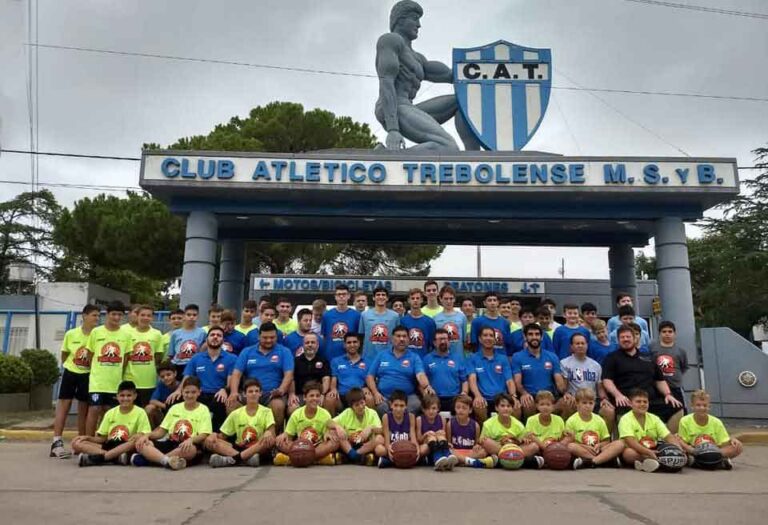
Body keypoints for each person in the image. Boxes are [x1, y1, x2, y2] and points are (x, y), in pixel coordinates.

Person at [602, 325, 683, 425]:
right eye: (622, 337)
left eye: (628, 337)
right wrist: (618, 395)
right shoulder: (611, 358)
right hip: (626, 400)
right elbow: (607, 380)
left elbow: (659, 380)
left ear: (635, 339)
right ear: (618, 340)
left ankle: (668, 435)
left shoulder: (648, 357)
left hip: (650, 400)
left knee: (677, 407)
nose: (625, 339)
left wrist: (668, 394)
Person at [50, 304, 100, 458]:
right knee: (64, 405)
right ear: (84, 316)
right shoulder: (71, 334)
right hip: (71, 372)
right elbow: (65, 354)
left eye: (98, 316)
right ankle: (56, 442)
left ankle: (80, 443)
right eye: (94, 315)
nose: (97, 318)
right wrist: (71, 367)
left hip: (88, 374)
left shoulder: (98, 334)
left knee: (83, 409)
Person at [132, 376, 211, 470]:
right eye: (187, 392)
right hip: (171, 443)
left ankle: (152, 459)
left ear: (199, 392)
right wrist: (147, 435)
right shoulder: (174, 408)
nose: (189, 395)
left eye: (193, 392)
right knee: (144, 443)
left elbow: (204, 434)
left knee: (191, 450)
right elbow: (161, 432)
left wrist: (191, 440)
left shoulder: (203, 409)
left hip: (188, 445)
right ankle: (167, 461)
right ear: (182, 392)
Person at [168, 326, 236, 432]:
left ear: (223, 340)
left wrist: (224, 390)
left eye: (219, 335)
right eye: (212, 335)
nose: (215, 337)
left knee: (220, 402)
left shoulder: (231, 358)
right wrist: (178, 391)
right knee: (173, 400)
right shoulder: (196, 358)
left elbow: (230, 381)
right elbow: (187, 377)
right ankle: (174, 433)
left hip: (218, 394)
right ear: (207, 339)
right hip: (199, 393)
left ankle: (214, 435)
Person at [229, 322, 294, 432]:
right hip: (250, 393)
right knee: (231, 404)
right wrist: (234, 392)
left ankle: (275, 438)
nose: (268, 340)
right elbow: (236, 374)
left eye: (272, 337)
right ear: (259, 336)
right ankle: (239, 438)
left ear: (276, 337)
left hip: (273, 394)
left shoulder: (284, 351)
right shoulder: (247, 351)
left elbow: (289, 375)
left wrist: (281, 390)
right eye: (265, 337)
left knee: (278, 406)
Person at [72, 380, 151, 467]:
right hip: (110, 445)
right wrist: (87, 438)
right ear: (117, 396)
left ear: (135, 396)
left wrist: (138, 435)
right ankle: (115, 458)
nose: (125, 398)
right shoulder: (110, 413)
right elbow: (102, 439)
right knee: (77, 443)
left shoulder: (140, 412)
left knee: (137, 440)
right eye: (122, 395)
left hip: (126, 446)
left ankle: (101, 458)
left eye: (129, 395)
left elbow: (144, 433)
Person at [205, 378, 276, 468]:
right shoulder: (236, 413)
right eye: (250, 391)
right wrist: (213, 435)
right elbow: (222, 436)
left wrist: (268, 432)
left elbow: (272, 432)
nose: (254, 394)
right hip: (239, 448)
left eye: (256, 391)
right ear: (244, 394)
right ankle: (246, 459)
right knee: (212, 441)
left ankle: (231, 460)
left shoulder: (267, 411)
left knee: (269, 440)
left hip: (257, 448)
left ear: (260, 393)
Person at [85, 301, 132, 436]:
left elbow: (126, 358)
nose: (116, 317)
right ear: (107, 314)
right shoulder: (96, 332)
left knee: (109, 412)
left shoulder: (126, 335)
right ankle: (88, 441)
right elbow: (90, 354)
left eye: (119, 315)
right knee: (94, 409)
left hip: (114, 383)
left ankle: (104, 440)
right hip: (97, 382)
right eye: (113, 314)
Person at [367, 325, 434, 415]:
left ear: (408, 339)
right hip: (385, 396)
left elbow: (420, 374)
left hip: (408, 397)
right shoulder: (381, 355)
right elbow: (370, 376)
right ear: (392, 339)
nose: (401, 339)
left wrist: (427, 386)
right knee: (381, 406)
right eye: (398, 336)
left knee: (416, 404)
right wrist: (375, 393)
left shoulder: (414, 357)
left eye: (404, 336)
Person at [618, 388, 684, 472]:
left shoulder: (654, 418)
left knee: (673, 447)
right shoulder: (625, 419)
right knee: (628, 453)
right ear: (630, 403)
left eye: (645, 402)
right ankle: (658, 463)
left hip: (653, 449)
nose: (642, 404)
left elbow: (668, 436)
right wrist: (648, 452)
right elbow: (630, 442)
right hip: (635, 450)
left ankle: (649, 464)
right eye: (638, 401)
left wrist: (679, 450)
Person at [274, 381, 337, 466]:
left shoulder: (325, 414)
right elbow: (289, 436)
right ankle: (317, 460)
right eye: (311, 396)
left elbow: (327, 434)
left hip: (318, 448)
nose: (315, 398)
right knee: (279, 442)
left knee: (335, 442)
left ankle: (293, 459)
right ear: (304, 397)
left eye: (317, 396)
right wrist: (284, 436)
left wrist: (328, 434)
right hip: (299, 447)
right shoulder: (297, 414)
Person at [677, 390, 742, 470]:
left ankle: (696, 462)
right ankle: (719, 463)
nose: (702, 408)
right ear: (692, 406)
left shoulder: (717, 422)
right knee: (678, 448)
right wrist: (693, 450)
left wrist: (731, 440)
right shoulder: (684, 421)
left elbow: (724, 444)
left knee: (737, 447)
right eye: (698, 405)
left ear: (709, 407)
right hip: (694, 451)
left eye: (705, 405)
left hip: (715, 450)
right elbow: (682, 442)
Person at [512, 323, 567, 418]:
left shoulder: (552, 356)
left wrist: (566, 393)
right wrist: (524, 394)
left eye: (537, 334)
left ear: (541, 337)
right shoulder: (517, 357)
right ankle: (531, 427)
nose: (534, 337)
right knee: (527, 403)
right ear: (525, 337)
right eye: (530, 334)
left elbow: (559, 381)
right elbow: (518, 383)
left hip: (550, 396)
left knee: (568, 402)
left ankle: (560, 426)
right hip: (531, 396)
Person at [559, 333, 614, 428]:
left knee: (609, 411)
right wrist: (566, 394)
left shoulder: (596, 365)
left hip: (592, 400)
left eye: (583, 343)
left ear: (587, 345)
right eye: (577, 343)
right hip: (575, 400)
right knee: (567, 403)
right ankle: (567, 434)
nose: (580, 345)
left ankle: (604, 436)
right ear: (571, 346)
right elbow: (564, 387)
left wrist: (604, 399)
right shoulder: (564, 363)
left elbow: (600, 388)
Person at [564, 388, 625, 469]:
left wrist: (599, 445)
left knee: (620, 443)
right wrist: (585, 446)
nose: (588, 406)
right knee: (570, 446)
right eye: (584, 403)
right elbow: (570, 441)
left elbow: (606, 441)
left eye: (591, 403)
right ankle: (604, 460)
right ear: (577, 403)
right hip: (583, 450)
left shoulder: (599, 420)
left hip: (598, 450)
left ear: (594, 404)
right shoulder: (571, 421)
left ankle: (591, 462)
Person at [468, 327, 519, 422]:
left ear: (495, 340)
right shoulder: (473, 358)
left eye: (491, 336)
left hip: (502, 398)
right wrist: (477, 396)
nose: (488, 338)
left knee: (516, 407)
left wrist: (513, 396)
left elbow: (509, 380)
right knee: (478, 406)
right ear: (480, 339)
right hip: (483, 397)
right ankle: (485, 430)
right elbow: (472, 379)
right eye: (485, 335)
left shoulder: (503, 359)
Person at [479, 393, 543, 469]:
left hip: (515, 449)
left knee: (534, 446)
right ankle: (524, 462)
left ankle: (498, 462)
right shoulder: (488, 424)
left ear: (512, 409)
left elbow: (522, 440)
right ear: (496, 408)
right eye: (502, 406)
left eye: (509, 406)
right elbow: (482, 441)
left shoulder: (518, 424)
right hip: (499, 448)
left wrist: (524, 440)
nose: (506, 409)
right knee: (486, 442)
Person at [326, 387, 384, 466]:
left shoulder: (372, 413)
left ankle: (354, 456)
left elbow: (381, 430)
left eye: (362, 403)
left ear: (365, 401)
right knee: (334, 432)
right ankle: (357, 456)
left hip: (366, 446)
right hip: (349, 445)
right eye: (357, 405)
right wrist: (338, 427)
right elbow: (328, 422)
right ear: (351, 407)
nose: (361, 406)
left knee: (380, 438)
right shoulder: (347, 413)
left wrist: (371, 428)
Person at [649, 321, 689, 433]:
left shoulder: (681, 351)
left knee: (681, 411)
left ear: (674, 334)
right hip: (657, 388)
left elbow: (683, 367)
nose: (667, 334)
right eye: (664, 331)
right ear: (659, 333)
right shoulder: (653, 348)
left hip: (675, 387)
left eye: (670, 332)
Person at [124, 305, 164, 408]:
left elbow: (158, 357)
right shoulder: (127, 333)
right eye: (142, 315)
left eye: (148, 315)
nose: (145, 318)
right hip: (130, 379)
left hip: (149, 381)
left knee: (147, 411)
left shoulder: (157, 334)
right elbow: (125, 356)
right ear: (137, 316)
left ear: (152, 318)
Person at [423, 328, 468, 412]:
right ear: (434, 342)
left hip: (455, 398)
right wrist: (426, 395)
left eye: (445, 339)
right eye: (440, 339)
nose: (443, 341)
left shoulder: (458, 358)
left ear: (449, 341)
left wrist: (464, 393)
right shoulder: (427, 359)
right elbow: (421, 381)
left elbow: (464, 380)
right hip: (434, 399)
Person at [326, 334, 371, 415]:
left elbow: (369, 379)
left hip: (359, 396)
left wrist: (367, 388)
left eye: (355, 342)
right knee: (330, 399)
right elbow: (334, 378)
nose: (352, 345)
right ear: (344, 345)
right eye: (349, 342)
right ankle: (332, 422)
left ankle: (368, 422)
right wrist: (333, 389)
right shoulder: (336, 361)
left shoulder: (367, 362)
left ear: (359, 344)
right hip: (342, 396)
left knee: (369, 398)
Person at [446, 394, 496, 468]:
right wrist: (450, 447)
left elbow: (476, 444)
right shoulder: (450, 424)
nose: (460, 410)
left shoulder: (475, 425)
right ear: (455, 408)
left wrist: (477, 447)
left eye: (464, 408)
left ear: (470, 410)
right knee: (448, 451)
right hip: (457, 451)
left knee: (483, 452)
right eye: (458, 407)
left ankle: (464, 461)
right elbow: (449, 444)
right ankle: (473, 462)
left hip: (469, 452)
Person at [288, 333, 330, 415]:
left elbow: (326, 380)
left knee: (327, 403)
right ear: (303, 345)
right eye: (307, 343)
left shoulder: (324, 361)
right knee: (292, 408)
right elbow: (291, 379)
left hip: (317, 395)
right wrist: (292, 394)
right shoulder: (295, 361)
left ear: (317, 345)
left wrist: (322, 394)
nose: (310, 345)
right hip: (300, 395)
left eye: (313, 342)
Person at [377, 390, 419, 468]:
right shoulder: (386, 417)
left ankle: (388, 461)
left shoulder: (411, 417)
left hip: (407, 448)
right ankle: (410, 461)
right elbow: (387, 440)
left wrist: (417, 449)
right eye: (396, 405)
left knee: (424, 448)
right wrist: (388, 448)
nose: (398, 409)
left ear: (406, 406)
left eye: (402, 406)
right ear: (391, 405)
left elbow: (413, 437)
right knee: (379, 449)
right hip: (393, 448)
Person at [358, 286, 400, 361]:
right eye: (378, 295)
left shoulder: (395, 316)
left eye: (383, 295)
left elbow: (398, 338)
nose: (381, 297)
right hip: (369, 358)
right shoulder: (364, 315)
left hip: (389, 357)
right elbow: (361, 337)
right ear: (373, 298)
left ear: (387, 298)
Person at [321, 284, 362, 361]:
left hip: (350, 359)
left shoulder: (356, 315)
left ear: (348, 296)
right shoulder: (327, 315)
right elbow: (324, 338)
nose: (341, 296)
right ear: (335, 297)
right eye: (339, 294)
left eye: (344, 294)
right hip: (330, 358)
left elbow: (359, 338)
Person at [415, 394, 456, 470]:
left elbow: (445, 437)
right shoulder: (419, 419)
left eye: (433, 408)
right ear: (423, 409)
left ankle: (447, 456)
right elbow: (419, 440)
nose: (431, 411)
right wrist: (426, 434)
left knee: (440, 435)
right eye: (428, 409)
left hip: (439, 443)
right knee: (431, 436)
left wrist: (442, 436)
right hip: (426, 446)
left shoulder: (442, 419)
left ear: (438, 409)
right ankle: (437, 457)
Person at [167, 304, 207, 378]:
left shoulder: (202, 333)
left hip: (194, 365)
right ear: (184, 316)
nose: (191, 317)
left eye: (194, 315)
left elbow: (204, 352)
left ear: (198, 316)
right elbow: (171, 354)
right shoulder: (175, 333)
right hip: (178, 366)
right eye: (188, 315)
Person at [433, 285, 468, 360]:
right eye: (446, 299)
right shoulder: (435, 318)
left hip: (458, 359)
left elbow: (464, 341)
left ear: (454, 299)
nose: (448, 301)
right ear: (440, 299)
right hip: (441, 359)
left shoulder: (462, 317)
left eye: (451, 298)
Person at [400, 288, 436, 358]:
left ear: (421, 300)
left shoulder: (430, 322)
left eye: (417, 298)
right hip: (406, 360)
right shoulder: (403, 321)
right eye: (413, 298)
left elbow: (433, 345)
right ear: (409, 300)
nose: (415, 300)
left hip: (424, 359)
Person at [145, 363, 180, 428]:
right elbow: (152, 400)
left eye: (168, 375)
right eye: (162, 377)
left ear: (175, 373)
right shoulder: (161, 385)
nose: (166, 378)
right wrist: (166, 406)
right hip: (165, 413)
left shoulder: (180, 386)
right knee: (149, 408)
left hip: (179, 415)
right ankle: (153, 431)